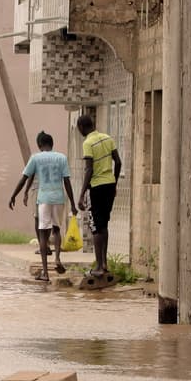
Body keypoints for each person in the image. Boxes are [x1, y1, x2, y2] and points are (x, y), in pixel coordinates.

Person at [9, 131, 78, 282]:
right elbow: (67, 182)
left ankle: (45, 273)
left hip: (44, 198)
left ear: (40, 145)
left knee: (42, 233)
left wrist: (14, 195)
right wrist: (73, 203)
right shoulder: (61, 158)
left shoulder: (36, 158)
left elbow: (24, 178)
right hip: (59, 198)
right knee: (57, 229)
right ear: (52, 144)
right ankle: (57, 258)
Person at [77, 113, 123, 279]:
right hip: (109, 185)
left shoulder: (87, 143)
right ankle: (104, 264)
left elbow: (89, 169)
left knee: (96, 226)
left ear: (81, 127)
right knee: (104, 225)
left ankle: (98, 266)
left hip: (96, 187)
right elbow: (118, 162)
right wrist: (114, 182)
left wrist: (82, 194)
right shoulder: (107, 138)